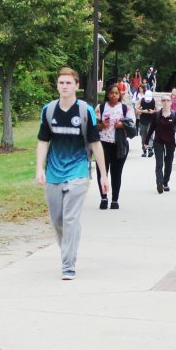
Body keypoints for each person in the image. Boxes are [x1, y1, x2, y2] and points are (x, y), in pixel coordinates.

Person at [37, 67, 109, 280]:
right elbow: (43, 141)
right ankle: (68, 250)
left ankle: (68, 265)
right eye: (61, 83)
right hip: (53, 172)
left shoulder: (84, 111)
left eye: (69, 83)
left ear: (77, 86)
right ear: (57, 86)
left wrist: (103, 175)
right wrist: (39, 168)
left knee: (70, 218)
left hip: (78, 170)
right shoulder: (49, 111)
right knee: (58, 220)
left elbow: (96, 144)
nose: (65, 86)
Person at [96, 84, 132, 210]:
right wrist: (102, 126)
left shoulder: (124, 108)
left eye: (116, 93)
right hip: (103, 144)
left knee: (116, 173)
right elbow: (92, 126)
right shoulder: (100, 107)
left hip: (119, 144)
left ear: (119, 94)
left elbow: (132, 125)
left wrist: (121, 125)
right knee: (102, 172)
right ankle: (103, 197)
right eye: (111, 93)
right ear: (107, 94)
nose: (113, 95)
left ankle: (115, 200)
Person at [145, 94, 176, 194]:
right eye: (163, 100)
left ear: (171, 102)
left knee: (168, 163)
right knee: (159, 163)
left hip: (170, 142)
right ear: (161, 102)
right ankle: (159, 183)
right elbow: (151, 129)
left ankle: (165, 182)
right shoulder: (157, 115)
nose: (165, 102)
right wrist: (146, 142)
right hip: (158, 141)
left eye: (167, 100)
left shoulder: (174, 115)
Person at [136, 85, 157, 158]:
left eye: (149, 99)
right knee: (143, 136)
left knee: (150, 135)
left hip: (151, 121)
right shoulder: (141, 100)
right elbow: (137, 111)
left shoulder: (154, 101)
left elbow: (158, 110)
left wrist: (153, 111)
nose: (148, 100)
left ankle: (150, 149)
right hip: (142, 121)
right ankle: (144, 150)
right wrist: (143, 111)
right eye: (147, 99)